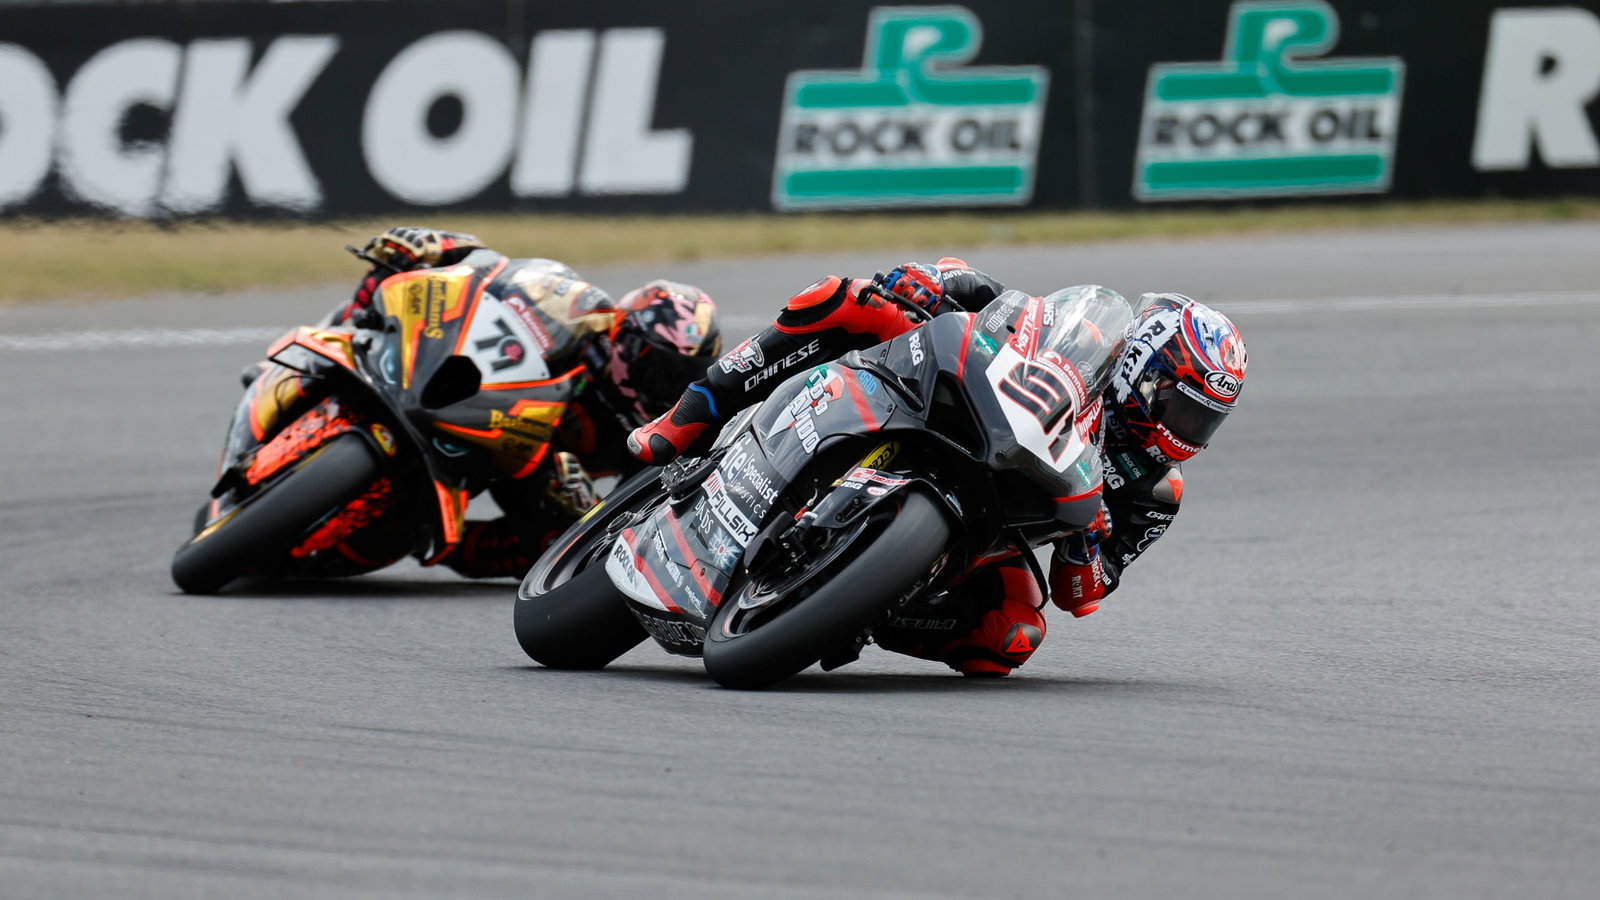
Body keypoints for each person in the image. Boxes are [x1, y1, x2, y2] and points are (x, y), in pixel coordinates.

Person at [628, 260, 1247, 676]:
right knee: (844, 301)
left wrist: (1088, 542)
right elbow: (984, 293)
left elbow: (1080, 595)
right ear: (1142, 368)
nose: (1186, 432)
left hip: (988, 534)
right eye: (1182, 408)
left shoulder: (1156, 491)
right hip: (947, 406)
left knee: (1011, 638)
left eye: (1204, 422)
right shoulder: (1081, 337)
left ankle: (865, 604)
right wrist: (928, 280)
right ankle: (691, 414)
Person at [340, 226, 723, 577]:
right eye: (657, 365)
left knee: (553, 548)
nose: (662, 384)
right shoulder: (583, 325)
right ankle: (365, 307)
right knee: (411, 274)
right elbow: (493, 272)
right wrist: (438, 245)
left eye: (678, 375)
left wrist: (582, 503)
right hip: (473, 398)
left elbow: (628, 521)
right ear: (625, 339)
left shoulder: (651, 436)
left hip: (517, 474)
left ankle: (447, 545)